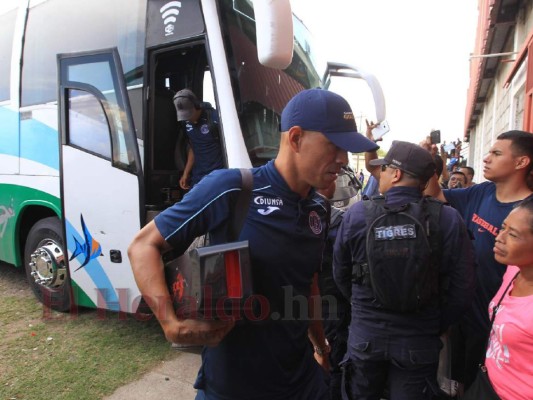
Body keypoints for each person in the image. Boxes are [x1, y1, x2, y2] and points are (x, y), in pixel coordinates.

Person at [128, 88, 379, 400]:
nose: (343, 160)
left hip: (300, 382)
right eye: (334, 146)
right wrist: (170, 323)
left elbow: (307, 281)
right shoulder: (232, 188)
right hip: (233, 387)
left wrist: (320, 345)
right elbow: (143, 246)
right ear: (296, 139)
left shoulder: (318, 208)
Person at [334, 140, 475, 399]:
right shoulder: (448, 219)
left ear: (396, 174)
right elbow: (462, 289)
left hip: (367, 336)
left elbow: (340, 274)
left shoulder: (357, 215)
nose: (380, 174)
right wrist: (434, 323)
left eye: (384, 169)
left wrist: (363, 307)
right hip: (419, 340)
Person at [423, 130, 533, 392]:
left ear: (521, 162)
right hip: (466, 314)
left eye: (496, 153)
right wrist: (428, 161)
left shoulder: (529, 211)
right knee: (462, 384)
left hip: (506, 328)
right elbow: (434, 194)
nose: (486, 158)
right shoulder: (481, 193)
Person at [463, 195, 533, 400]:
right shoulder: (513, 270)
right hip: (487, 386)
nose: (499, 237)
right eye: (503, 228)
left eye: (513, 234)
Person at [317, 180, 350, 400]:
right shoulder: (340, 221)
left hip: (296, 306)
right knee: (332, 364)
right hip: (332, 306)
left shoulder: (290, 215)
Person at [173, 89, 224, 190]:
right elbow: (193, 148)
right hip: (198, 177)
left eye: (189, 114)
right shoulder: (186, 123)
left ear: (197, 106)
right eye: (185, 117)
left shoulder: (215, 118)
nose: (188, 119)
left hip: (217, 176)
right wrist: (186, 173)